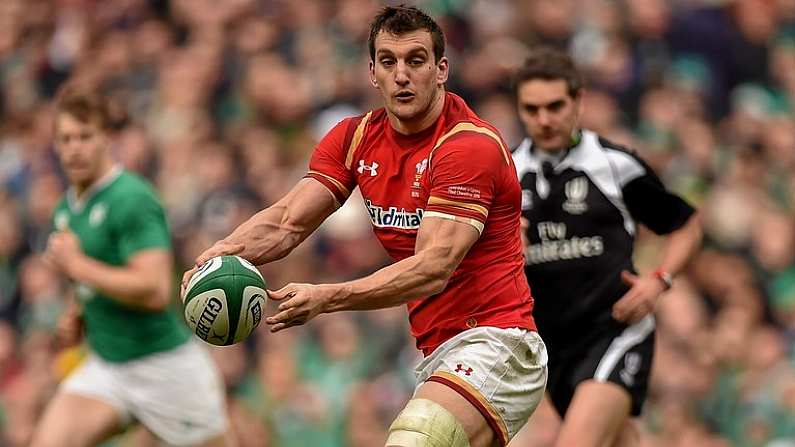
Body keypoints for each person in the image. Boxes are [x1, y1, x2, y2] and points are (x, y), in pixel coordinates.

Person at [184, 6, 547, 447]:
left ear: (442, 69)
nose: (402, 75)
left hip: (497, 342)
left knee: (416, 437)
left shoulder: (468, 147)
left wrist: (327, 297)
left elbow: (433, 267)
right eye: (389, 62)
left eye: (416, 60)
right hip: (439, 352)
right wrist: (219, 256)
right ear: (372, 72)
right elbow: (285, 223)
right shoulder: (354, 138)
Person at [511, 47, 702, 447]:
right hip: (553, 348)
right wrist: (507, 245)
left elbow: (685, 225)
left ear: (578, 102)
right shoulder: (507, 175)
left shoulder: (614, 165)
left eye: (555, 106)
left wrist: (659, 281)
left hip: (616, 331)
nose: (544, 120)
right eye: (531, 109)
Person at [31, 85, 231, 447]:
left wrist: (77, 266)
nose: (74, 147)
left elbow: (155, 291)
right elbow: (94, 278)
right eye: (65, 139)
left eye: (84, 136)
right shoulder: (67, 208)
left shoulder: (132, 198)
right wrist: (78, 314)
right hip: (108, 365)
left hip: (164, 367)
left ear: (107, 138)